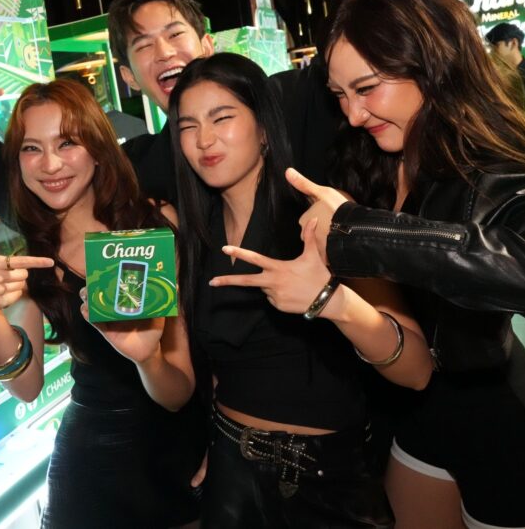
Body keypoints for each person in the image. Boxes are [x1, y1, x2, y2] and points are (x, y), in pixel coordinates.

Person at [233, 0, 525, 529]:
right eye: (340, 95)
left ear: (429, 64)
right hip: (419, 425)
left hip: (512, 443)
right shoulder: (373, 157)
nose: (353, 114)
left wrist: (362, 233)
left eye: (366, 88)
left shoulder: (486, 164)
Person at [0, 0, 408, 218]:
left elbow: (386, 47)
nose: (165, 53)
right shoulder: (143, 165)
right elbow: (51, 205)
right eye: (143, 46)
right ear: (129, 77)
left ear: (206, 46)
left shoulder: (290, 100)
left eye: (174, 35)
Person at [169, 52, 433, 528]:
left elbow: (416, 369)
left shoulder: (322, 216)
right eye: (188, 126)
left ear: (264, 129)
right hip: (228, 470)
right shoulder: (195, 236)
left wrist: (332, 301)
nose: (204, 139)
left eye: (222, 118)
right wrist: (215, 444)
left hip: (325, 479)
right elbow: (217, 367)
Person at [0, 79, 201, 528]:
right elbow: (25, 386)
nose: (50, 164)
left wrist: (147, 359)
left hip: (175, 460)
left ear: (97, 148)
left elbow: (177, 393)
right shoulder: (37, 255)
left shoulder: (154, 224)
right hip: (89, 470)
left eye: (67, 143)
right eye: (31, 148)